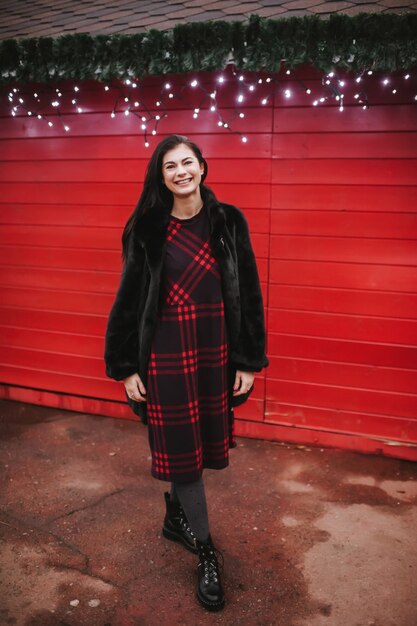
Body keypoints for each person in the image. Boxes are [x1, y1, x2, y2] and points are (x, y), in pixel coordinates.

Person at [104, 134, 268, 612]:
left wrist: (248, 360)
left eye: (187, 162)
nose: (180, 171)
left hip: (214, 351)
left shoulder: (228, 222)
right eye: (170, 166)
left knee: (196, 448)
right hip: (167, 354)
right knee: (184, 455)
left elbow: (250, 292)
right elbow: (128, 301)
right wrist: (125, 368)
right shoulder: (147, 230)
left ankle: (176, 515)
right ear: (161, 177)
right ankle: (206, 552)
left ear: (202, 166)